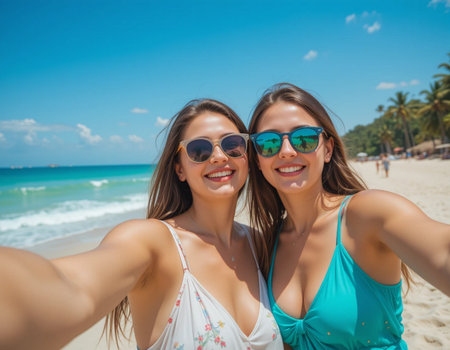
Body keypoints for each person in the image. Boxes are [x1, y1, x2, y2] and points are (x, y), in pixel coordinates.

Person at [0, 99, 283, 350]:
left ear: (248, 156)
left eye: (232, 144)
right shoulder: (152, 242)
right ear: (179, 169)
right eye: (199, 149)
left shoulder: (258, 243)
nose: (219, 156)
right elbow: (73, 288)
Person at [246, 83, 450, 349]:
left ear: (328, 149)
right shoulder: (267, 243)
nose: (286, 151)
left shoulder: (367, 214)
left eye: (304, 138)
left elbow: (442, 250)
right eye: (269, 142)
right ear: (258, 159)